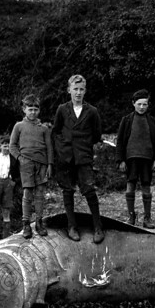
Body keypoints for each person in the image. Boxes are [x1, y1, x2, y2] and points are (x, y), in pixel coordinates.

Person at [51, 74, 105, 243]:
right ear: (69, 90)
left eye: (81, 89)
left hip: (83, 157)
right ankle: (72, 226)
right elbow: (56, 131)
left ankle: (98, 227)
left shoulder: (92, 111)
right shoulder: (62, 109)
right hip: (66, 158)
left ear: (85, 91)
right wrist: (61, 149)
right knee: (67, 190)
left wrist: (84, 144)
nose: (78, 93)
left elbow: (96, 134)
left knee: (89, 190)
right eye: (75, 89)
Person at [116, 89, 155, 229]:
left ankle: (147, 218)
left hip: (147, 160)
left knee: (146, 187)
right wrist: (121, 160)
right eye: (139, 104)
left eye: (145, 104)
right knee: (130, 185)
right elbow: (120, 142)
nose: (142, 107)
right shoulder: (127, 120)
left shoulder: (152, 121)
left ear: (148, 105)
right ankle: (131, 216)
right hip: (131, 159)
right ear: (133, 103)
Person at [10, 94, 53, 239]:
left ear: (39, 111)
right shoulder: (19, 126)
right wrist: (20, 158)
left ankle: (39, 222)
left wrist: (49, 165)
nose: (33, 112)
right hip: (26, 163)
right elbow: (12, 146)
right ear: (24, 109)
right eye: (30, 109)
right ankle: (26, 224)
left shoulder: (44, 129)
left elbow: (49, 147)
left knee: (40, 194)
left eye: (35, 109)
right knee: (27, 194)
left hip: (41, 164)